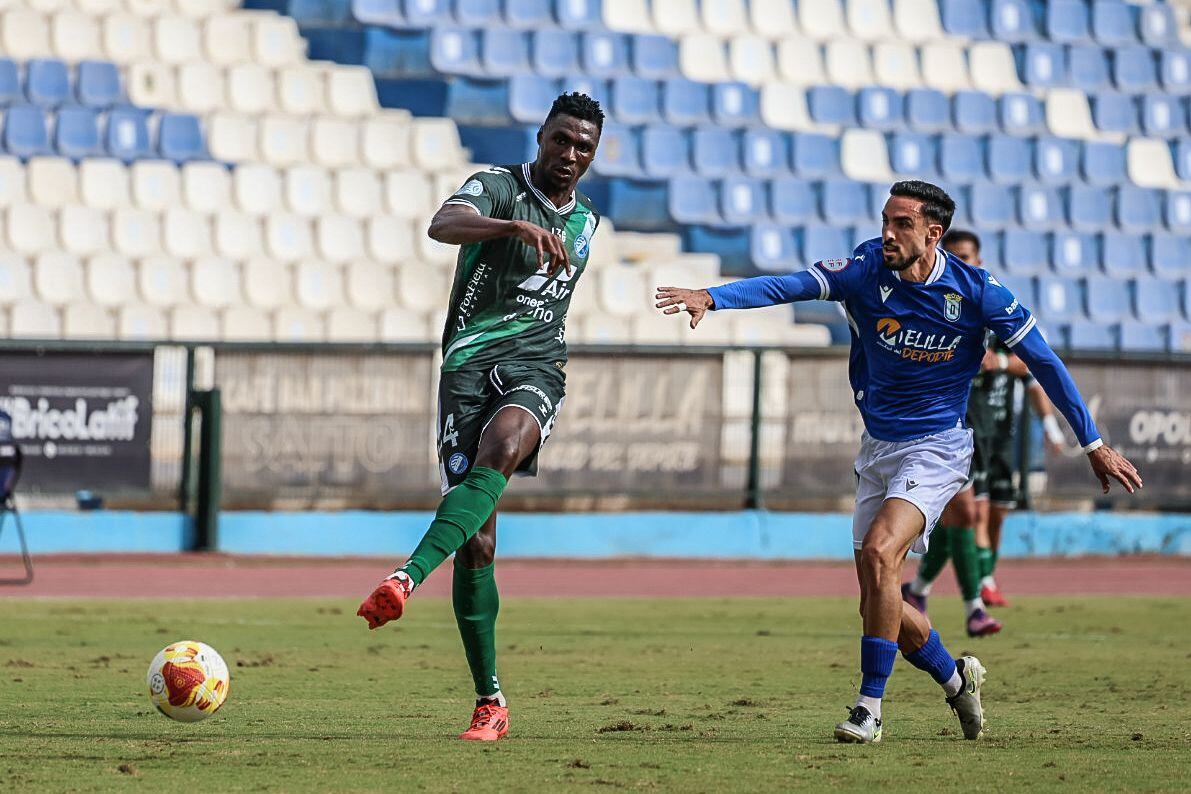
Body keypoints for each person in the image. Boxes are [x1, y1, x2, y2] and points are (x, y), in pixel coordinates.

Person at [655, 181, 1142, 744]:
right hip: (879, 448)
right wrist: (713, 297)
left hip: (937, 448)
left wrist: (1092, 442)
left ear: (933, 234)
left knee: (885, 553)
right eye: (886, 220)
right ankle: (957, 680)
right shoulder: (864, 268)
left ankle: (869, 709)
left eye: (903, 224)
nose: (888, 233)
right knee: (876, 597)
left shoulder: (978, 292)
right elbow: (789, 285)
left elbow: (1045, 362)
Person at [356, 92, 604, 741]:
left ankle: (405, 575)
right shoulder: (496, 187)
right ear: (542, 136)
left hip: (535, 366)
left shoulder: (589, 224)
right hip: (465, 370)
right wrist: (511, 228)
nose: (570, 155)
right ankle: (489, 700)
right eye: (561, 140)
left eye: (583, 147)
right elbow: (443, 223)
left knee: (503, 449)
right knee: (479, 543)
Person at [902, 231, 1067, 633]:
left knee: (979, 514)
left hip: (993, 431)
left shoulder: (991, 306)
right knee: (969, 513)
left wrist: (1000, 365)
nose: (960, 264)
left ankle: (922, 587)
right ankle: (975, 604)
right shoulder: (932, 306)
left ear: (978, 260)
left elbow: (1029, 364)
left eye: (967, 257)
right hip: (952, 430)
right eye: (953, 257)